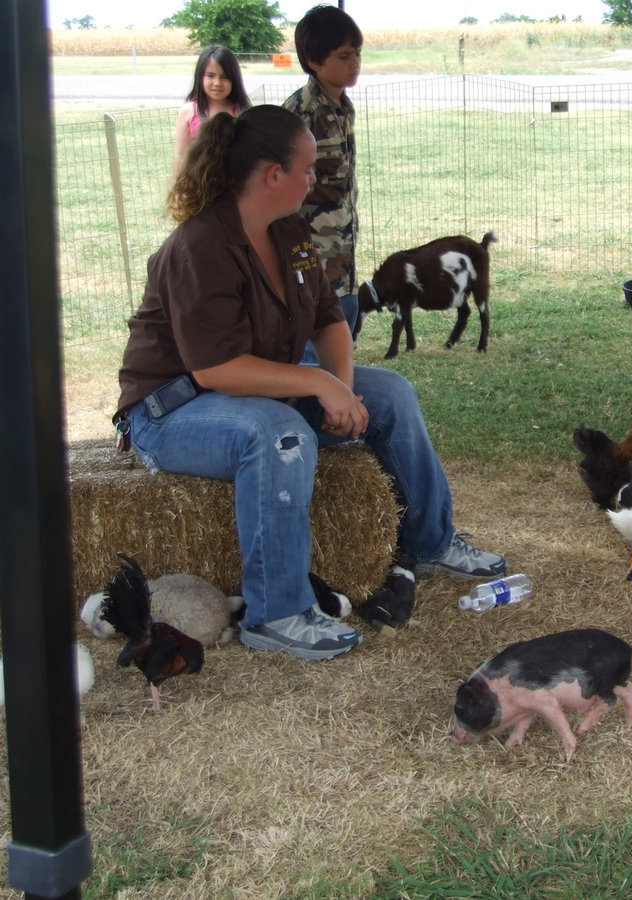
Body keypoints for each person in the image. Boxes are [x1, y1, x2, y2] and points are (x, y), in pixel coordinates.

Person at [114, 105, 507, 662]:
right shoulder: (199, 246)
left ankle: (431, 542)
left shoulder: (289, 231)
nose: (314, 179)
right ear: (273, 175)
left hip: (254, 391)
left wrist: (340, 389)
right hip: (173, 412)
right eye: (306, 169)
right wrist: (318, 384)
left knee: (392, 393)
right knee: (279, 434)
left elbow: (328, 320)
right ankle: (276, 613)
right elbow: (215, 369)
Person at [283, 4, 362, 338]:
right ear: (314, 61)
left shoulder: (343, 107)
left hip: (343, 256)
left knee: (344, 338)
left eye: (357, 54)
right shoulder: (300, 113)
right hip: (309, 258)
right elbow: (278, 192)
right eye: (344, 56)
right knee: (314, 350)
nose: (355, 64)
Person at [172, 44, 251, 175]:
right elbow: (180, 155)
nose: (217, 83)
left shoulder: (242, 112)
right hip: (198, 184)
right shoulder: (188, 112)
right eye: (210, 75)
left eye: (224, 77)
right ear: (200, 76)